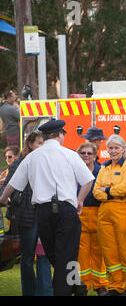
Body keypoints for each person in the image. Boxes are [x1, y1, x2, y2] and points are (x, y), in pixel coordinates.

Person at [0, 119, 95, 296]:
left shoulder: (32, 157)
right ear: (60, 135)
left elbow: (12, 184)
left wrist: (3, 199)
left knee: (54, 256)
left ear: (44, 136)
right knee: (67, 256)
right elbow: (88, 179)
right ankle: (69, 288)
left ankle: (74, 285)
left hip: (42, 213)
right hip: (66, 210)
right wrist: (79, 200)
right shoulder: (70, 154)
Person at [0, 132, 53, 296]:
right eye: (39, 143)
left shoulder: (49, 162)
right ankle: (29, 291)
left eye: (44, 143)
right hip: (26, 215)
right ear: (30, 144)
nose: (42, 146)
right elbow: (7, 186)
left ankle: (45, 291)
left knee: (44, 255)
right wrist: (11, 198)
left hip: (45, 213)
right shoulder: (20, 162)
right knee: (28, 256)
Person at [93, 134, 126, 296]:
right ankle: (115, 286)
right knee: (108, 250)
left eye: (116, 148)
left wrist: (107, 191)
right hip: (104, 211)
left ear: (123, 149)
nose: (113, 151)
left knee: (125, 249)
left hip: (122, 210)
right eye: (110, 148)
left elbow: (123, 190)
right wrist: (110, 193)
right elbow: (96, 192)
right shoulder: (104, 168)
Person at [76, 142, 108, 296]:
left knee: (98, 250)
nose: (86, 156)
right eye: (83, 153)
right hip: (79, 214)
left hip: (98, 212)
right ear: (79, 154)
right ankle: (83, 285)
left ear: (95, 156)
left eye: (89, 153)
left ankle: (100, 284)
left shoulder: (101, 171)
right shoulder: (73, 170)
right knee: (81, 252)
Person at [1, 145, 20, 235]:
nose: (7, 159)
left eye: (10, 157)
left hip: (17, 203)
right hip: (7, 201)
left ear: (17, 156)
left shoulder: (20, 169)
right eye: (6, 157)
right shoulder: (5, 172)